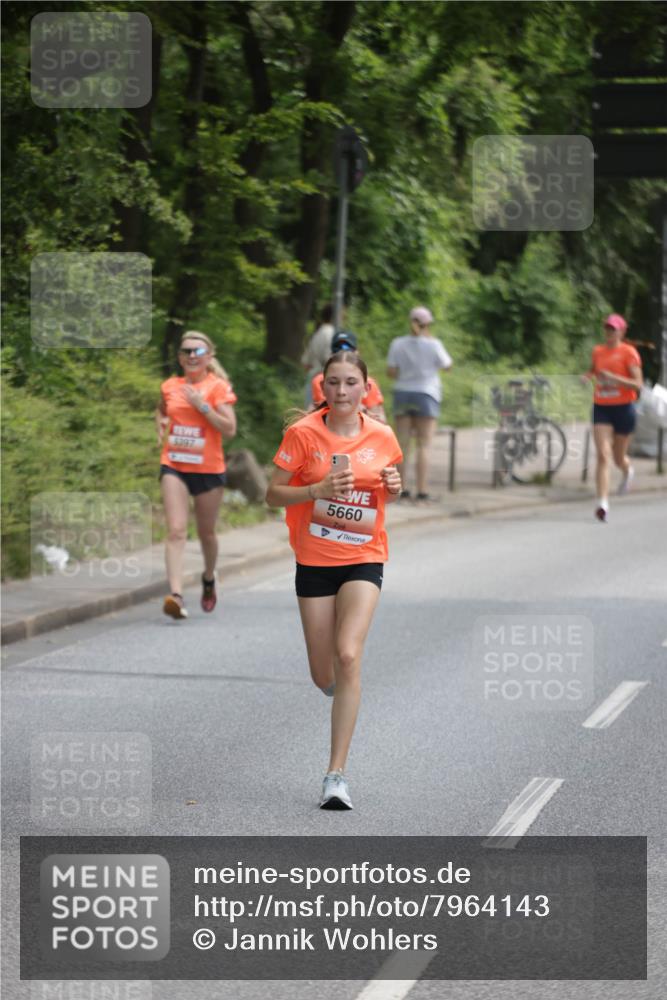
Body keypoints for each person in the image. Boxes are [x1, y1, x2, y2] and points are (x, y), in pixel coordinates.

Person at [266, 351, 402, 810]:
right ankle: (336, 685)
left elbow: (386, 485)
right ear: (321, 388)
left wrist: (394, 487)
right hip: (315, 559)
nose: (342, 392)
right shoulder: (303, 434)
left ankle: (335, 775)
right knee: (322, 672)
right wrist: (315, 491)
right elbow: (271, 494)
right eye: (333, 384)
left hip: (365, 556)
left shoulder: (382, 436)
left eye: (350, 383)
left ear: (366, 388)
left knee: (348, 655)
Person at [156, 331, 237, 618]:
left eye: (198, 351)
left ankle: (208, 577)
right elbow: (163, 409)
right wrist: (161, 423)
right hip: (174, 465)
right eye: (186, 351)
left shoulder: (218, 388)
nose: (192, 355)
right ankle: (175, 595)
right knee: (176, 530)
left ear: (209, 357)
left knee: (206, 534)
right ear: (179, 357)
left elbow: (229, 429)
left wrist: (201, 406)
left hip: (208, 469)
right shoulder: (170, 386)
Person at [386, 305, 452, 501]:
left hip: (403, 393)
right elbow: (447, 366)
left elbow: (391, 372)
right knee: (424, 445)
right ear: (428, 323)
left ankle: (402, 489)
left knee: (403, 445)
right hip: (426, 395)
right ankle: (422, 491)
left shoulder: (397, 343)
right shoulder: (434, 344)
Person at [581, 313, 642, 522]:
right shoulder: (597, 351)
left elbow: (637, 384)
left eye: (613, 329)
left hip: (624, 409)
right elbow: (593, 370)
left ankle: (627, 469)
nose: (609, 332)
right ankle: (603, 504)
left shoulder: (629, 352)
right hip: (602, 408)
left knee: (617, 458)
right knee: (602, 456)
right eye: (607, 328)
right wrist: (586, 377)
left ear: (622, 332)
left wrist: (613, 378)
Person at [310, 331, 387, 423]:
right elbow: (317, 411)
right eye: (333, 382)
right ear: (331, 354)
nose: (343, 354)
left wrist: (363, 412)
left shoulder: (368, 382)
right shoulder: (319, 380)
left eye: (351, 383)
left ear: (357, 353)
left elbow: (380, 419)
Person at [301, 305, 335, 406]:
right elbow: (328, 359)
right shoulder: (331, 333)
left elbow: (306, 363)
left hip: (312, 379)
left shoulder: (317, 332)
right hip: (324, 383)